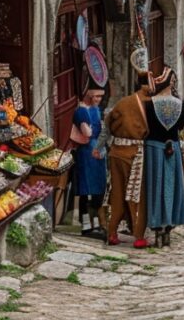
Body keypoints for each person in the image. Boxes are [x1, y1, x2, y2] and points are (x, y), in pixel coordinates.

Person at [141, 70, 184, 248]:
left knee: (156, 187)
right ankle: (169, 226)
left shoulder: (148, 105)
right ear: (172, 83)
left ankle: (157, 227)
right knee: (171, 187)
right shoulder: (180, 104)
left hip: (154, 148)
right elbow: (182, 125)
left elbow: (145, 126)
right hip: (173, 148)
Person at [106, 75, 152, 248]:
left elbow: (109, 122)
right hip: (134, 153)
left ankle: (112, 231)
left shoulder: (123, 102)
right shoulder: (148, 103)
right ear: (145, 85)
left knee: (116, 192)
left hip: (116, 151)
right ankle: (138, 235)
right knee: (136, 194)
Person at [72, 82, 108, 238]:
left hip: (97, 150)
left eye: (101, 96)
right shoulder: (81, 111)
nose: (99, 99)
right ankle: (87, 225)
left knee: (98, 189)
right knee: (86, 189)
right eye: (96, 96)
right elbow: (87, 132)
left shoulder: (95, 109)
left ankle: (95, 223)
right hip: (88, 151)